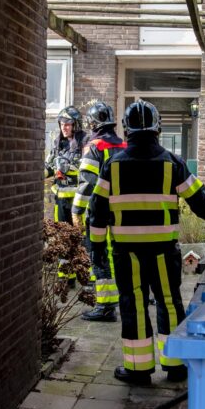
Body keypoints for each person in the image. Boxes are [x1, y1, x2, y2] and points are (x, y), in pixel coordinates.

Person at [88, 100, 205, 385]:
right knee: (169, 303)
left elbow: (97, 214)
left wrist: (97, 249)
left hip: (127, 253)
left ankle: (138, 370)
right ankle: (175, 365)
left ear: (127, 129)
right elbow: (202, 203)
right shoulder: (172, 162)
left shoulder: (112, 167)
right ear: (157, 128)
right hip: (164, 251)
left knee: (133, 304)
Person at [71, 102, 127, 322]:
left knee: (99, 257)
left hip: (99, 214)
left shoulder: (94, 146)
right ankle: (119, 301)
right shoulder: (124, 145)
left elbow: (87, 183)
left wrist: (77, 210)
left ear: (93, 124)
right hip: (122, 212)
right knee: (118, 257)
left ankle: (105, 307)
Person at [45, 106, 87, 285]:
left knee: (80, 238)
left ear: (76, 125)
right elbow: (48, 167)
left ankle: (84, 276)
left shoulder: (85, 144)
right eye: (62, 124)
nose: (65, 127)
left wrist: (68, 168)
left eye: (68, 124)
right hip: (61, 201)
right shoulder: (57, 145)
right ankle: (65, 279)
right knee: (63, 239)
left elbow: (88, 171)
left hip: (79, 202)